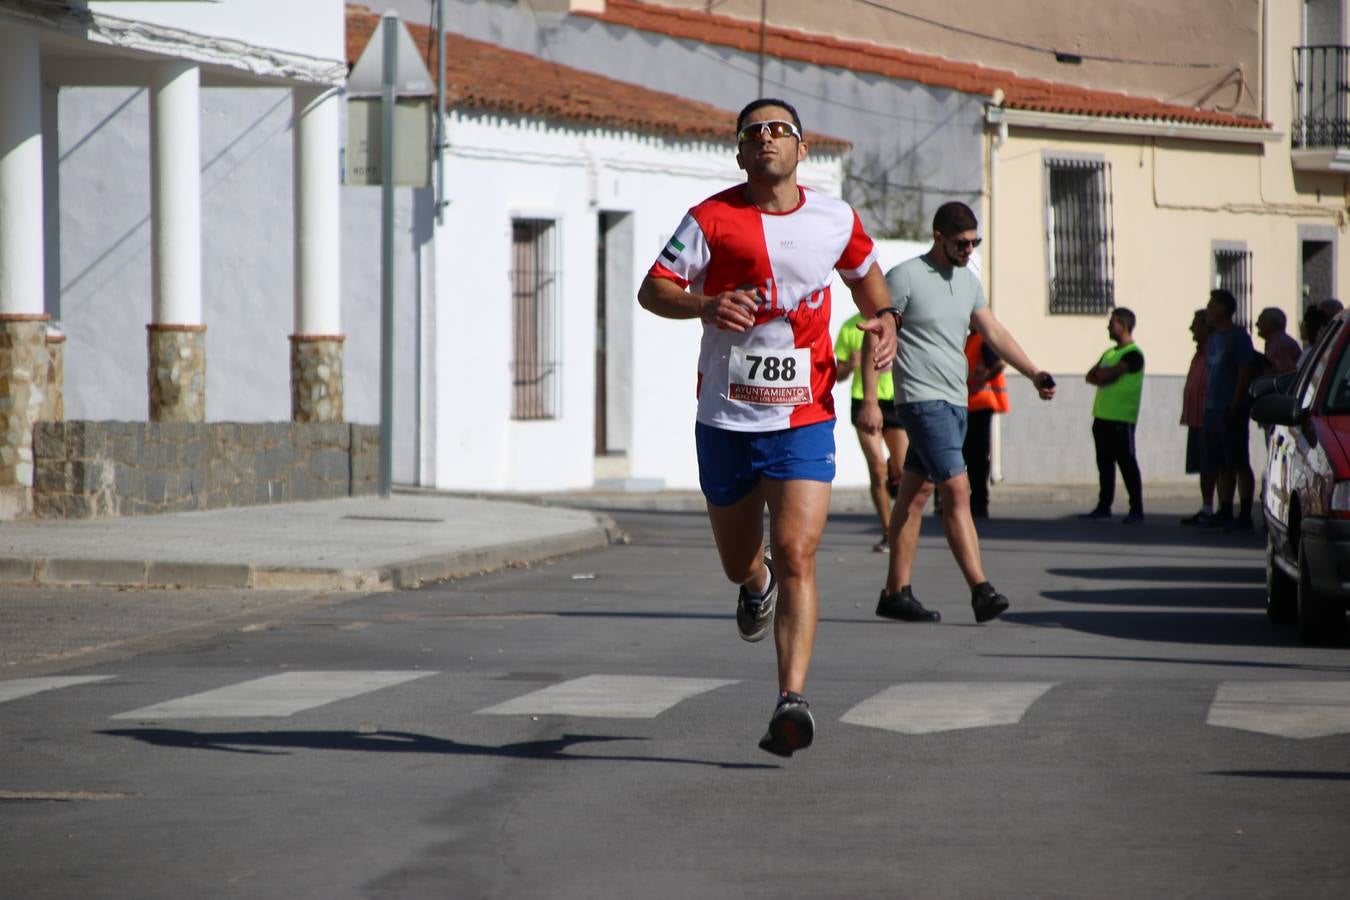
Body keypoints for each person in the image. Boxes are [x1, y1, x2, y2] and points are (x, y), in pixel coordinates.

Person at [638, 98, 897, 757]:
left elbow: (871, 285)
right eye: (754, 133)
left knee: (798, 553)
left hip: (801, 416)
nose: (767, 140)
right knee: (741, 564)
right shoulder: (711, 219)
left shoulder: (834, 219)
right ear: (740, 152)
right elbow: (654, 289)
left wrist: (885, 323)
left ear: (801, 150)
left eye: (780, 131)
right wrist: (706, 302)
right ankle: (754, 590)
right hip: (725, 417)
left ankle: (791, 701)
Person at [875, 201, 1055, 625]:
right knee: (957, 491)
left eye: (974, 242)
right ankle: (980, 588)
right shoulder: (905, 277)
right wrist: (869, 400)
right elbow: (877, 329)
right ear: (939, 237)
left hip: (956, 401)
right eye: (961, 242)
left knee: (915, 496)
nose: (968, 249)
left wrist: (1032, 371)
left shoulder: (969, 280)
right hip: (921, 400)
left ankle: (895, 592)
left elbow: (992, 330)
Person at [835, 312, 907, 551]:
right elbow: (837, 374)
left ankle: (894, 475)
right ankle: (889, 532)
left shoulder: (898, 324)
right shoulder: (850, 327)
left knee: (902, 467)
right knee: (877, 468)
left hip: (895, 400)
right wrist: (849, 365)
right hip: (864, 401)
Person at [1201, 288, 1260, 530]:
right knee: (1221, 464)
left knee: (1238, 461)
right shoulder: (1214, 338)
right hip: (1212, 408)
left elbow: (1245, 371)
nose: (1208, 309)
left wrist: (1235, 402)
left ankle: (1244, 514)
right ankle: (1224, 510)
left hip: (1230, 408)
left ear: (1224, 309)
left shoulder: (1239, 337)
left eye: (1212, 305)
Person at [1080, 308, 1145, 523]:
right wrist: (1102, 376)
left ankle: (1136, 508)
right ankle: (1103, 506)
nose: (1108, 327)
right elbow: (1091, 376)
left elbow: (1110, 374)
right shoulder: (1109, 353)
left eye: (1112, 323)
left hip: (1122, 419)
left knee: (1127, 464)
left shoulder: (1134, 354)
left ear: (1123, 326)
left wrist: (1104, 375)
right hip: (1102, 417)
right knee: (1104, 465)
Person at [963, 331, 1009, 518]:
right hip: (969, 404)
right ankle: (975, 501)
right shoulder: (969, 340)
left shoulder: (982, 340)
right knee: (969, 454)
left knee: (977, 456)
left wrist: (982, 379)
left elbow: (999, 364)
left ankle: (980, 501)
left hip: (980, 404)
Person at [1179, 309, 1217, 526]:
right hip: (1197, 418)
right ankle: (1207, 507)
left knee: (1213, 465)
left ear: (1206, 326)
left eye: (1195, 324)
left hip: (1208, 416)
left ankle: (1216, 509)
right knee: (1204, 465)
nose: (1191, 329)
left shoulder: (1213, 351)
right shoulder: (1200, 352)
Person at [1255, 307, 1302, 375]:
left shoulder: (1280, 344)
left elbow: (1284, 373)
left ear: (1272, 324)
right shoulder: (1275, 342)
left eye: (1261, 320)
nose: (1256, 324)